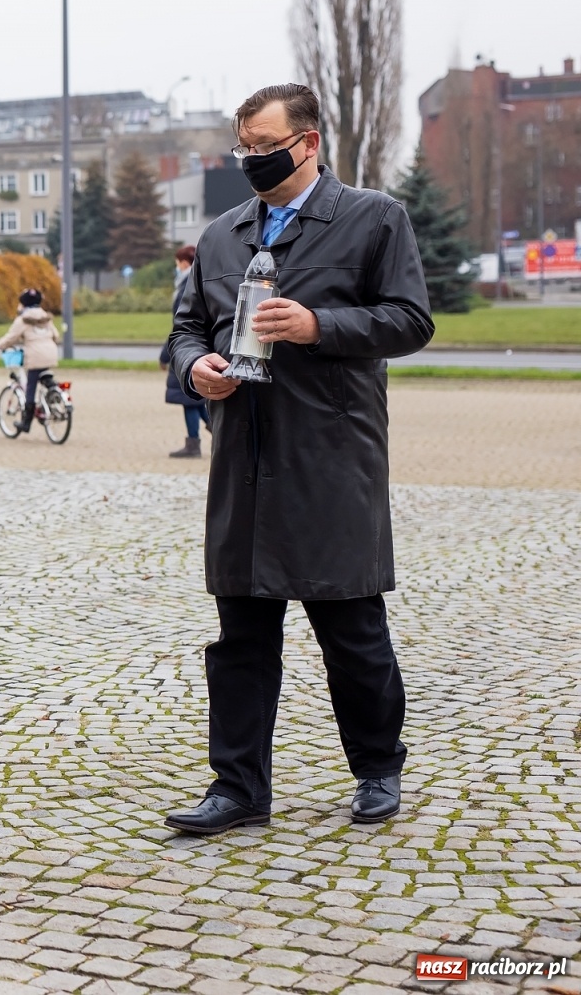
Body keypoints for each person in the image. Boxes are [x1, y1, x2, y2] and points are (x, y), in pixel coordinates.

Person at [164, 84, 434, 835]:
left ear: (307, 142)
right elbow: (185, 329)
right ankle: (238, 786)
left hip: (330, 458)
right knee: (241, 636)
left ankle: (378, 767)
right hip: (243, 457)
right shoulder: (222, 236)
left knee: (352, 632)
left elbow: (411, 320)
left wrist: (318, 325)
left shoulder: (374, 220)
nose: (250, 157)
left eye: (263, 144)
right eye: (242, 146)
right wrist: (194, 369)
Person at [159, 245, 209, 457]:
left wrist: (165, 354)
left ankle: (194, 443)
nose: (176, 267)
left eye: (177, 262)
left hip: (188, 350)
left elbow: (181, 326)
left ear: (185, 263)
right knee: (193, 398)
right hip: (198, 348)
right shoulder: (202, 279)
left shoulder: (187, 286)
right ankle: (213, 430)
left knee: (188, 398)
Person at [0, 289, 61, 434]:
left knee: (30, 387)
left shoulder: (23, 320)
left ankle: (26, 422)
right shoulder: (45, 317)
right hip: (51, 354)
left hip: (35, 356)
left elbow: (11, 337)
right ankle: (53, 397)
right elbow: (56, 335)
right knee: (45, 376)